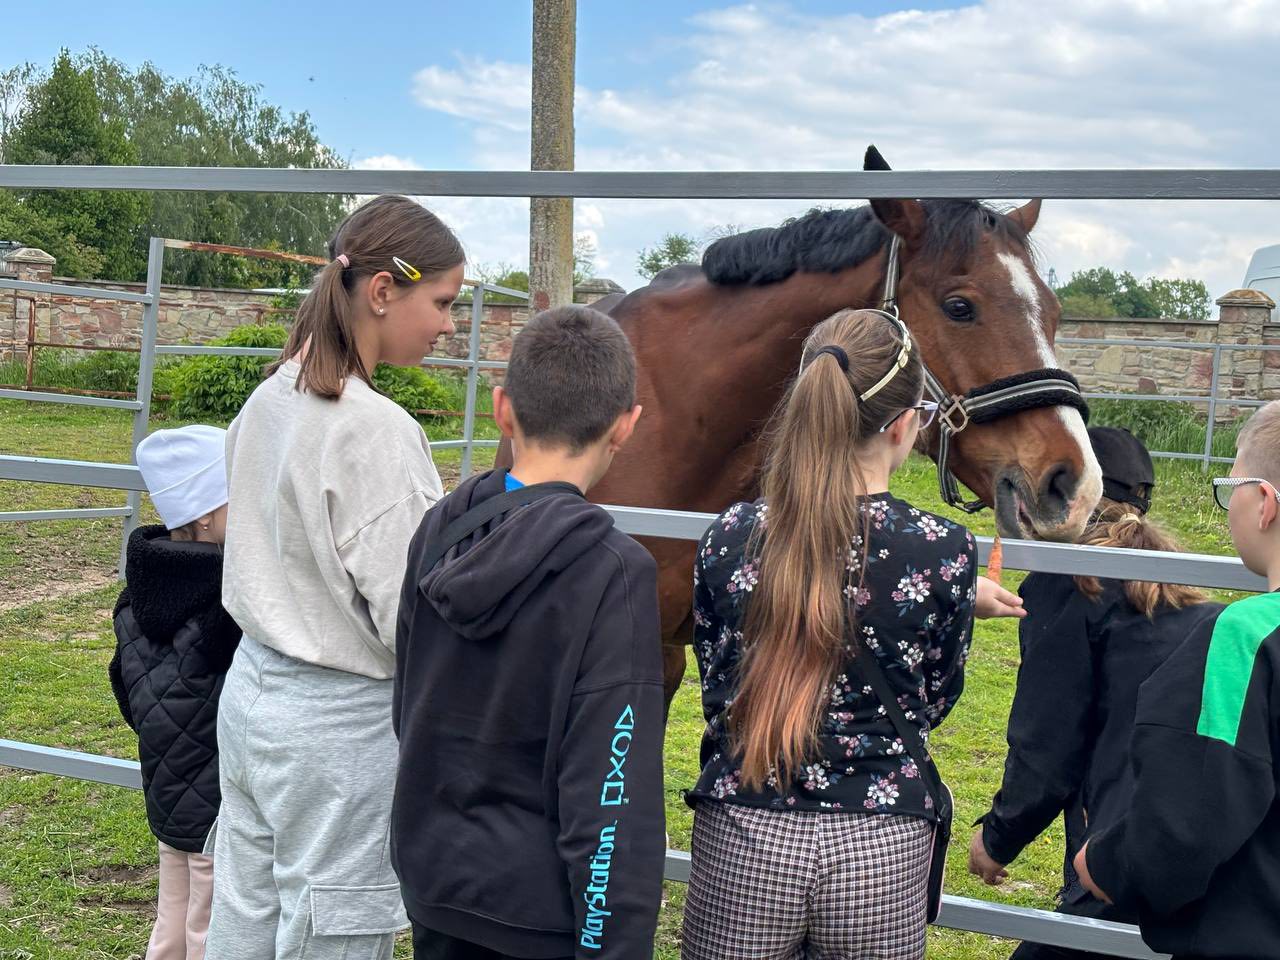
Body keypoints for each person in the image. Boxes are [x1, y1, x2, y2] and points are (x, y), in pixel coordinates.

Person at [681, 307, 1024, 960]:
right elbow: (935, 697)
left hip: (744, 830)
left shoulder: (729, 535)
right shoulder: (943, 549)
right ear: (903, 424)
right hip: (881, 844)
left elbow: (718, 674)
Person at [205, 195, 464, 959]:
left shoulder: (268, 398)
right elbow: (409, 614)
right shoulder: (375, 431)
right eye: (442, 301)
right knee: (334, 934)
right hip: (337, 728)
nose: (450, 325)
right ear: (383, 291)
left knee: (244, 916)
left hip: (251, 694)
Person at [392, 305, 665, 960]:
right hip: (539, 921)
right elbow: (611, 792)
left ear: (502, 410)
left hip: (434, 888)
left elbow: (407, 705)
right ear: (626, 425)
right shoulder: (614, 572)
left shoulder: (438, 529)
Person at [968, 426, 1222, 960]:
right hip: (1187, 831)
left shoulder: (1071, 582)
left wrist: (997, 838)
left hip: (1123, 844)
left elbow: (1047, 741)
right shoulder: (1170, 584)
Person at [1077, 400, 1280, 959]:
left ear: (1264, 503)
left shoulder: (1245, 639)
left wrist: (1111, 864)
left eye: (1230, 486)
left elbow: (1188, 817)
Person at [109, 425, 238, 960]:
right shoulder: (226, 601)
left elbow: (125, 687)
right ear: (205, 514)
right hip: (219, 794)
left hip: (165, 786)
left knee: (173, 918)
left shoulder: (135, 596)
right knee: (212, 924)